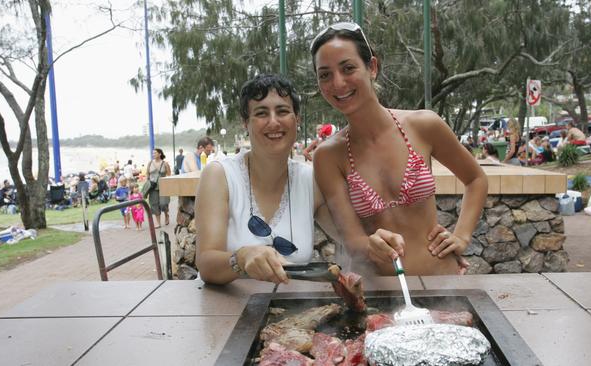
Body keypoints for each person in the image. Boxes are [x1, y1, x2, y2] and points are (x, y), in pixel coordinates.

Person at [310, 22, 488, 276]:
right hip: (382, 296)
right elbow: (352, 241)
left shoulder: (423, 125)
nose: (338, 83)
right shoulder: (328, 156)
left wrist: (461, 235)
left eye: (348, 68)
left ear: (372, 67)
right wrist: (370, 244)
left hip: (442, 283)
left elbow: (476, 179)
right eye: (325, 74)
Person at [195, 74, 335, 285]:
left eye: (283, 111)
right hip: (226, 310)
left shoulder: (311, 180)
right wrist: (240, 258)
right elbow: (206, 263)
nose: (273, 122)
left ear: (297, 119)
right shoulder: (219, 175)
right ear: (245, 122)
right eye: (261, 113)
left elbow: (351, 240)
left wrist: (376, 241)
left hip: (289, 311)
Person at [145, 148, 172, 228]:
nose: (153, 154)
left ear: (160, 154)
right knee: (154, 204)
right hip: (152, 187)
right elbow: (147, 174)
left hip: (163, 186)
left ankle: (166, 214)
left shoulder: (165, 163)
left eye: (155, 153)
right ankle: (158, 222)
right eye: (153, 153)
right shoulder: (150, 163)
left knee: (163, 204)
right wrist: (147, 184)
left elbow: (169, 174)